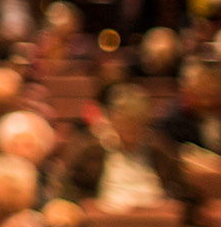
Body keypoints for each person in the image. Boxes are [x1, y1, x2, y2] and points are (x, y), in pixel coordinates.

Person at [64, 85, 199, 217]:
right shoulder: (92, 151)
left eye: (136, 120)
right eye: (124, 120)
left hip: (152, 219)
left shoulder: (160, 151)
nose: (129, 127)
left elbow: (185, 192)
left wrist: (172, 206)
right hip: (108, 219)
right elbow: (69, 186)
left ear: (145, 122)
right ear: (112, 121)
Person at [158, 61, 221, 159]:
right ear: (186, 88)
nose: (207, 90)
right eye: (201, 85)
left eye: (212, 83)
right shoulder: (173, 120)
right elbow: (169, 155)